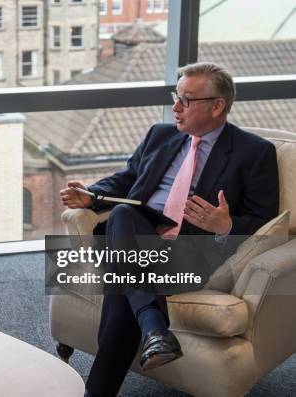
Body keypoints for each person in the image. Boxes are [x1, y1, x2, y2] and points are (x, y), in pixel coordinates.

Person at [60, 62, 279, 397]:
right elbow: (127, 179)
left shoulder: (254, 153)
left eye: (186, 100)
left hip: (190, 254)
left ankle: (147, 330)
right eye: (175, 97)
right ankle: (153, 329)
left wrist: (227, 225)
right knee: (122, 216)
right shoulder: (160, 136)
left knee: (122, 281)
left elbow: (264, 219)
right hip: (134, 238)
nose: (175, 107)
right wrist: (90, 195)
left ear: (217, 105)